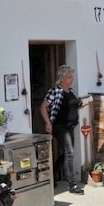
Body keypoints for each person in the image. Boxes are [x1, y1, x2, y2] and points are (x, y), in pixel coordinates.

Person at [41, 65, 90, 194]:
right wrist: (48, 123)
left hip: (70, 126)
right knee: (69, 152)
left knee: (68, 153)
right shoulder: (55, 91)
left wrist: (82, 104)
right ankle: (72, 184)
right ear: (62, 78)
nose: (72, 79)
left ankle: (54, 172)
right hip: (59, 126)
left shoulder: (70, 91)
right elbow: (43, 107)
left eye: (72, 76)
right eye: (69, 77)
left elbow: (72, 107)